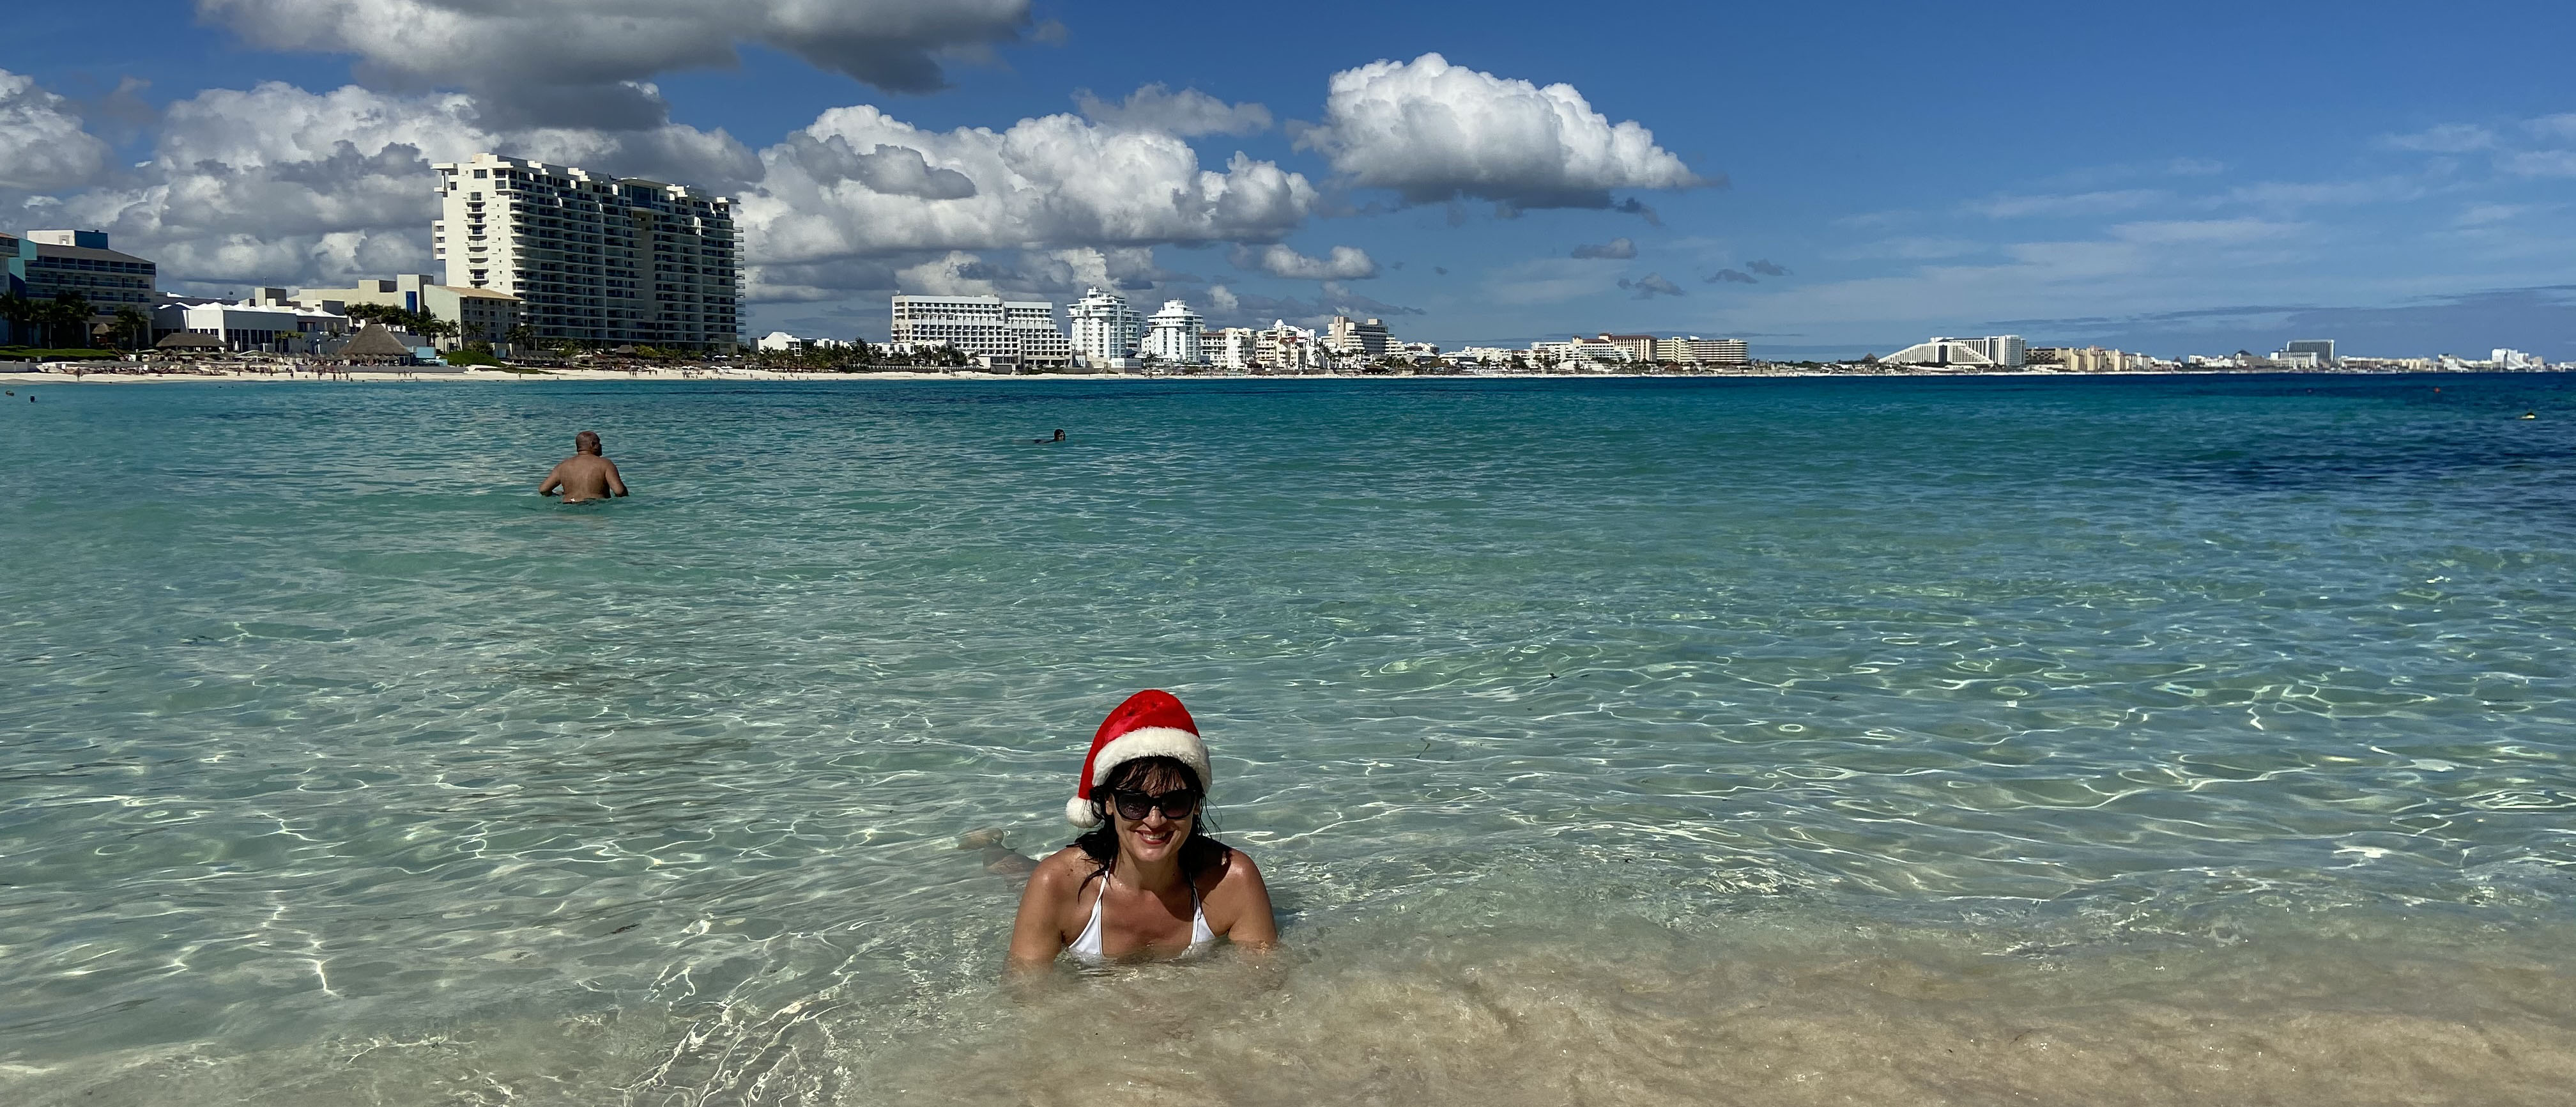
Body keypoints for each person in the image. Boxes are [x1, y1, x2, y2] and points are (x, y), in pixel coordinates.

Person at [1005, 690, 1277, 974]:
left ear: (1196, 805)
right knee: (1014, 872)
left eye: (1175, 802)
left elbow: (1266, 988)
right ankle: (991, 848)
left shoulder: (1233, 880)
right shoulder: (1057, 885)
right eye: (1135, 803)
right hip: (1075, 873)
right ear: (1108, 803)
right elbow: (1023, 998)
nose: (1155, 819)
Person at [538, 431, 627, 502]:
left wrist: (556, 495)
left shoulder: (563, 465)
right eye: (599, 443)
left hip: (569, 505)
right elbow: (619, 491)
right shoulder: (605, 464)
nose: (601, 446)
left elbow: (544, 490)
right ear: (592, 445)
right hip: (595, 506)